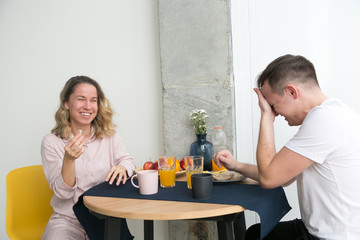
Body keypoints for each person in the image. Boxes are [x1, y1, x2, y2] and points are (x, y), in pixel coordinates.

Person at [214, 55, 360, 240]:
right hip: (318, 230)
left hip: (334, 237)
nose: (275, 111)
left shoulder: (325, 120)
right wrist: (236, 166)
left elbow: (270, 179)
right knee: (255, 234)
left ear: (292, 92)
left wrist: (266, 117)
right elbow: (283, 178)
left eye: (273, 104)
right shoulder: (333, 114)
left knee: (256, 236)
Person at [41, 76, 136, 239]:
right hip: (68, 221)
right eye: (81, 99)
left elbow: (128, 161)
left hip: (106, 218)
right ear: (66, 103)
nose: (87, 106)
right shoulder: (52, 142)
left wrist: (122, 167)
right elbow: (63, 194)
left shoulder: (109, 135)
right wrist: (69, 160)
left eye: (93, 100)